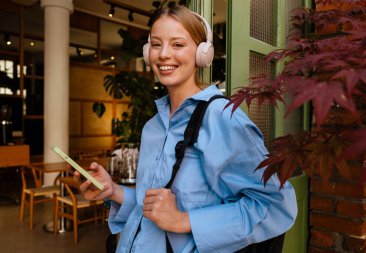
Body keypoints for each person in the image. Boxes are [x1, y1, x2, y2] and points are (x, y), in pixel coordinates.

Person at [77, 6, 297, 253]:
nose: (164, 55)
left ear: (202, 53)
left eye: (178, 44)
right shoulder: (153, 127)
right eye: (157, 44)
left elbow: (276, 205)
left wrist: (183, 220)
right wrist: (114, 191)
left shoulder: (221, 118)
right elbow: (148, 210)